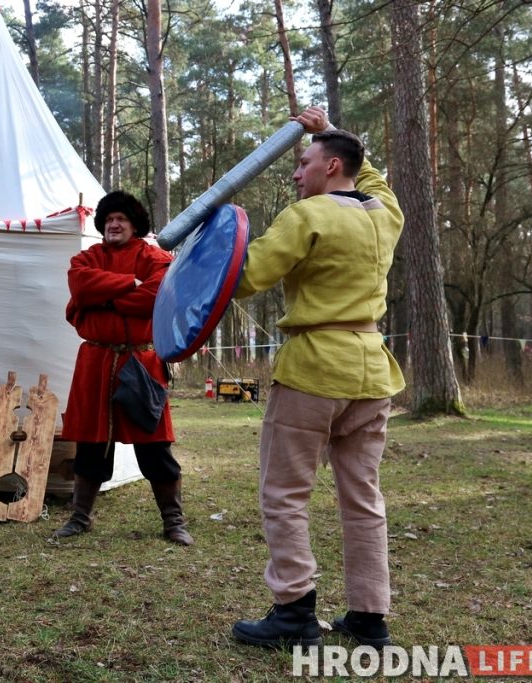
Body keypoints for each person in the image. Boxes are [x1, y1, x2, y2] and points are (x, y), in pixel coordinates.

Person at [230, 106, 405, 648]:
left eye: (304, 162)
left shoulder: (306, 215)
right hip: (371, 372)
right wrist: (326, 131)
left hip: (313, 370)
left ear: (330, 167)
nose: (295, 172)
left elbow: (245, 278)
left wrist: (190, 262)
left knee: (284, 493)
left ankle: (294, 614)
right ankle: (370, 617)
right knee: (363, 498)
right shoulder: (385, 214)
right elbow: (368, 173)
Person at [54, 191, 193, 546]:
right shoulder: (87, 258)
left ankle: (173, 521)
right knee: (90, 445)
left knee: (155, 445)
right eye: (109, 219)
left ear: (135, 225)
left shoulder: (156, 258)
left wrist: (102, 300)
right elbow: (80, 286)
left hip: (141, 362)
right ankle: (80, 517)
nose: (114, 224)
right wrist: (128, 284)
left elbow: (154, 297)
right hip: (96, 363)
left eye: (122, 219)